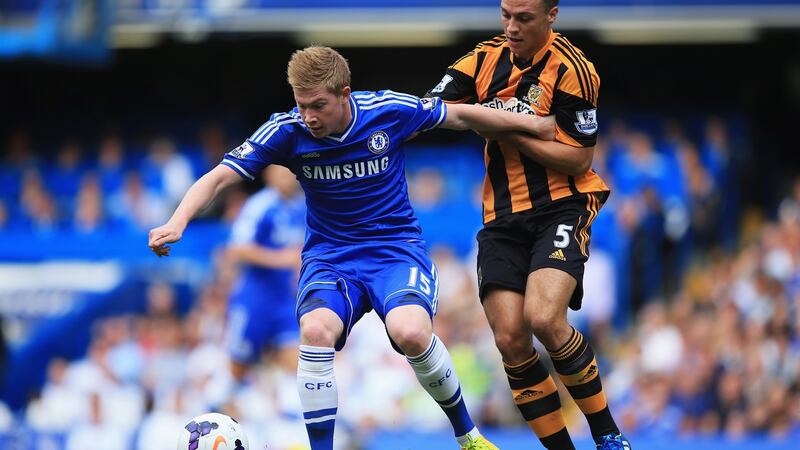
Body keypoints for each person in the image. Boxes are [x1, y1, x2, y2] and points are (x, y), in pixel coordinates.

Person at [149, 46, 555, 450]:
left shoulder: (387, 110)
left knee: (411, 331)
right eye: (301, 104)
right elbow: (219, 177)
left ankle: (468, 437)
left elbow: (462, 115)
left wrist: (533, 127)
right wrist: (177, 221)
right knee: (315, 329)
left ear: (345, 93)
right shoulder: (286, 131)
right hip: (331, 258)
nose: (308, 116)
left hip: (394, 251)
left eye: (318, 105)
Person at [426, 1, 631, 449]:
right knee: (510, 338)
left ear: (552, 15)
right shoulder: (481, 59)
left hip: (563, 205)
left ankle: (608, 434)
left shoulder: (574, 69)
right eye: (506, 16)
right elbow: (434, 108)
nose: (511, 27)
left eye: (524, 18)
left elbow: (579, 157)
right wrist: (531, 127)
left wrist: (500, 128)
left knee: (543, 317)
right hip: (501, 217)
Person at [209, 164, 305, 411]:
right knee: (237, 367)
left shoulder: (300, 207)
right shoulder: (260, 206)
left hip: (285, 300)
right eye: (282, 172)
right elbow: (237, 249)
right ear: (269, 175)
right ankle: (211, 414)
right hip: (255, 300)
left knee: (299, 367)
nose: (288, 178)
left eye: (291, 172)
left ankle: (292, 425)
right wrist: (282, 259)